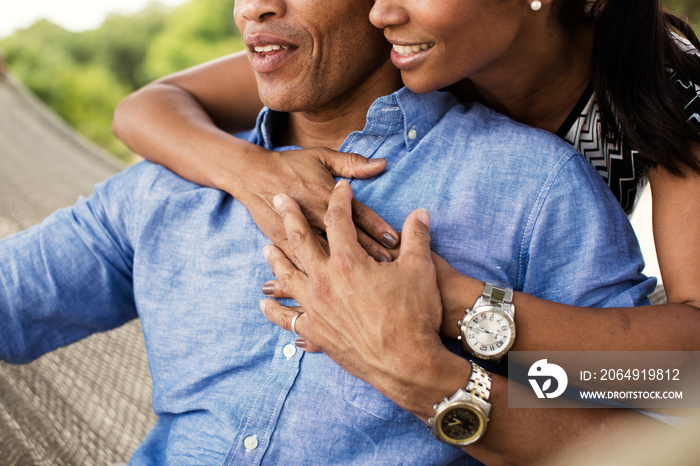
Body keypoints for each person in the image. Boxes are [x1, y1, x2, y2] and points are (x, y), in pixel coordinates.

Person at [0, 0, 659, 464]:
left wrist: (431, 371)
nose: (253, 7)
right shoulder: (169, 187)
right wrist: (244, 169)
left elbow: (648, 430)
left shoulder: (535, 186)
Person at [112, 0, 700, 349]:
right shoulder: (410, 50)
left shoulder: (671, 86)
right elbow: (147, 106)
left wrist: (444, 301)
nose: (380, 13)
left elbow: (683, 364)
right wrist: (254, 173)